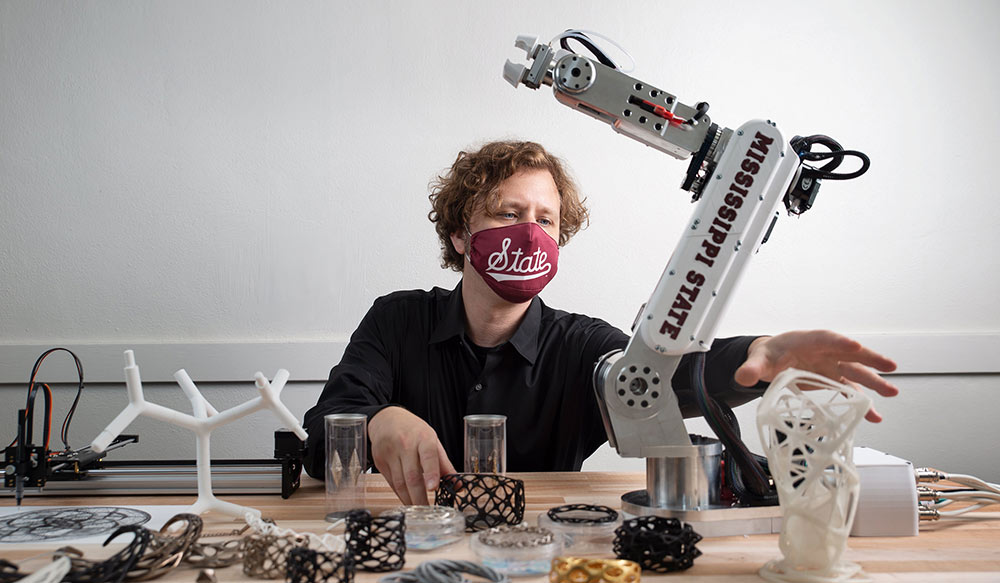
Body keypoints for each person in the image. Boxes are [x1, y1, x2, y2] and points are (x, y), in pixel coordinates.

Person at [302, 140, 899, 505]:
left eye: (546, 219)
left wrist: (764, 352)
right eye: (509, 213)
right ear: (460, 234)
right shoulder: (398, 318)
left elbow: (659, 378)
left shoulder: (580, 345)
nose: (531, 231)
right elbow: (323, 430)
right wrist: (380, 419)